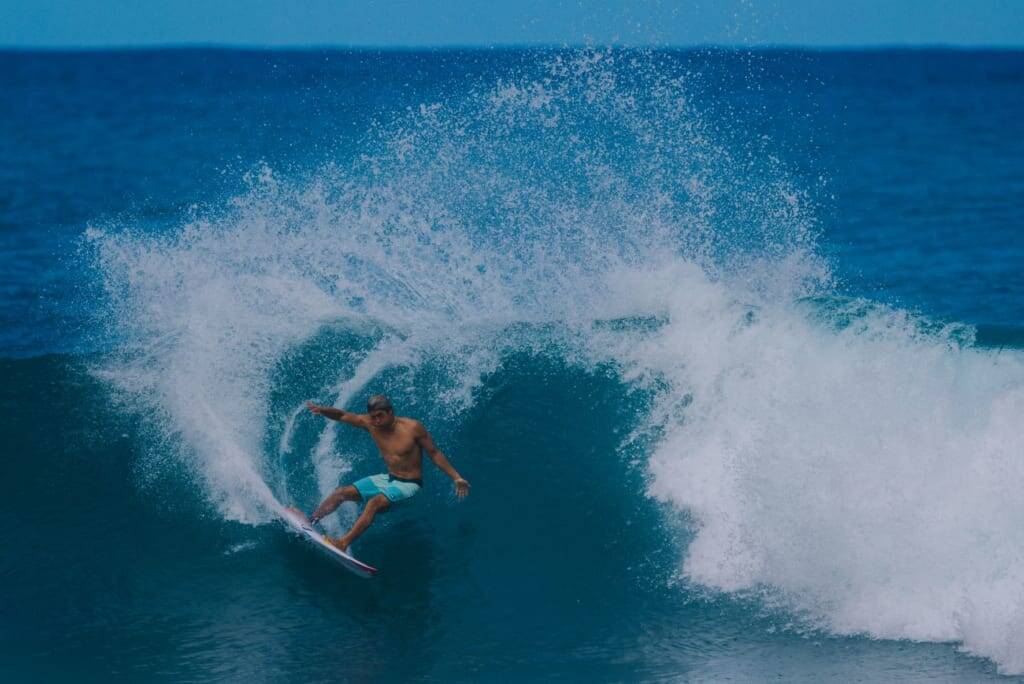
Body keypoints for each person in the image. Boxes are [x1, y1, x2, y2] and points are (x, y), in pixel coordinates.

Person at [296, 394, 470, 553]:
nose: (377, 421)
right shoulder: (371, 424)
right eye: (373, 417)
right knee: (340, 493)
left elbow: (434, 453)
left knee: (374, 503)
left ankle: (342, 543)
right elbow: (342, 415)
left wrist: (456, 477)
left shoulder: (412, 428)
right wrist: (322, 410)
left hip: (409, 484)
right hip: (388, 478)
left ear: (390, 412)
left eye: (380, 416)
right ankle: (311, 521)